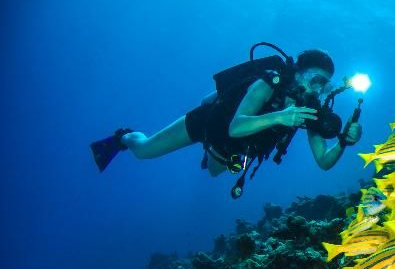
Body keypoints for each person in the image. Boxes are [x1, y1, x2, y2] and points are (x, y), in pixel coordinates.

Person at [90, 46, 362, 196]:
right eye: (315, 79)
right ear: (299, 73)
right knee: (145, 151)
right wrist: (280, 116)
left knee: (212, 170)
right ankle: (123, 137)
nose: (317, 89)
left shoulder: (310, 108)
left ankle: (212, 154)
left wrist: (342, 142)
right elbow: (236, 125)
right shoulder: (269, 83)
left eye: (324, 85)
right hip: (211, 123)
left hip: (231, 148)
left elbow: (324, 162)